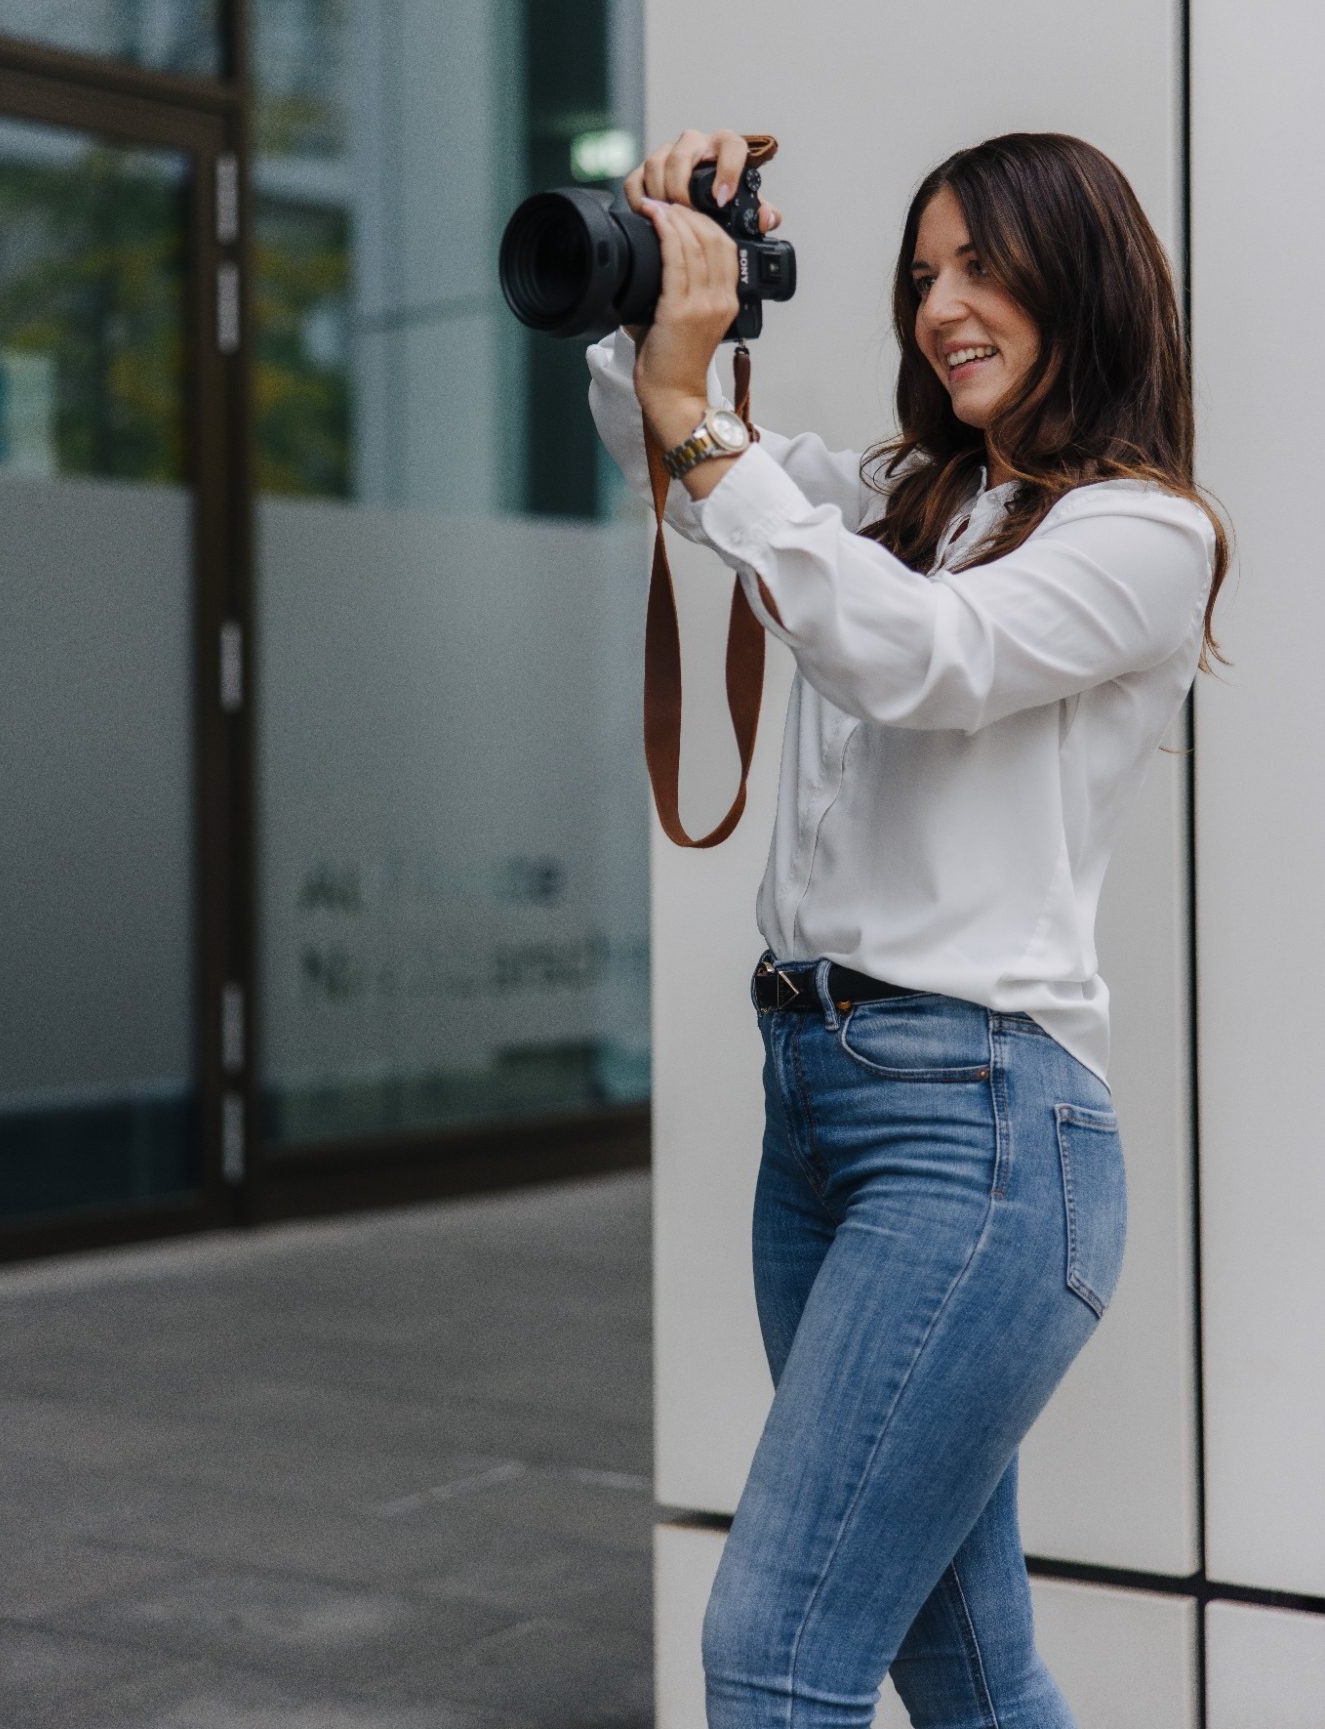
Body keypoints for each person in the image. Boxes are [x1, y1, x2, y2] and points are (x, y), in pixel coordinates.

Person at [585, 127, 1230, 1729]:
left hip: (982, 1137)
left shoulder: (1140, 532)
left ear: (1077, 281)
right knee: (967, 1667)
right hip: (816, 1105)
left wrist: (709, 436)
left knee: (775, 1652)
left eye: (982, 265)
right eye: (923, 270)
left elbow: (923, 660)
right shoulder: (897, 494)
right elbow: (676, 469)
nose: (941, 303)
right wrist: (662, 272)